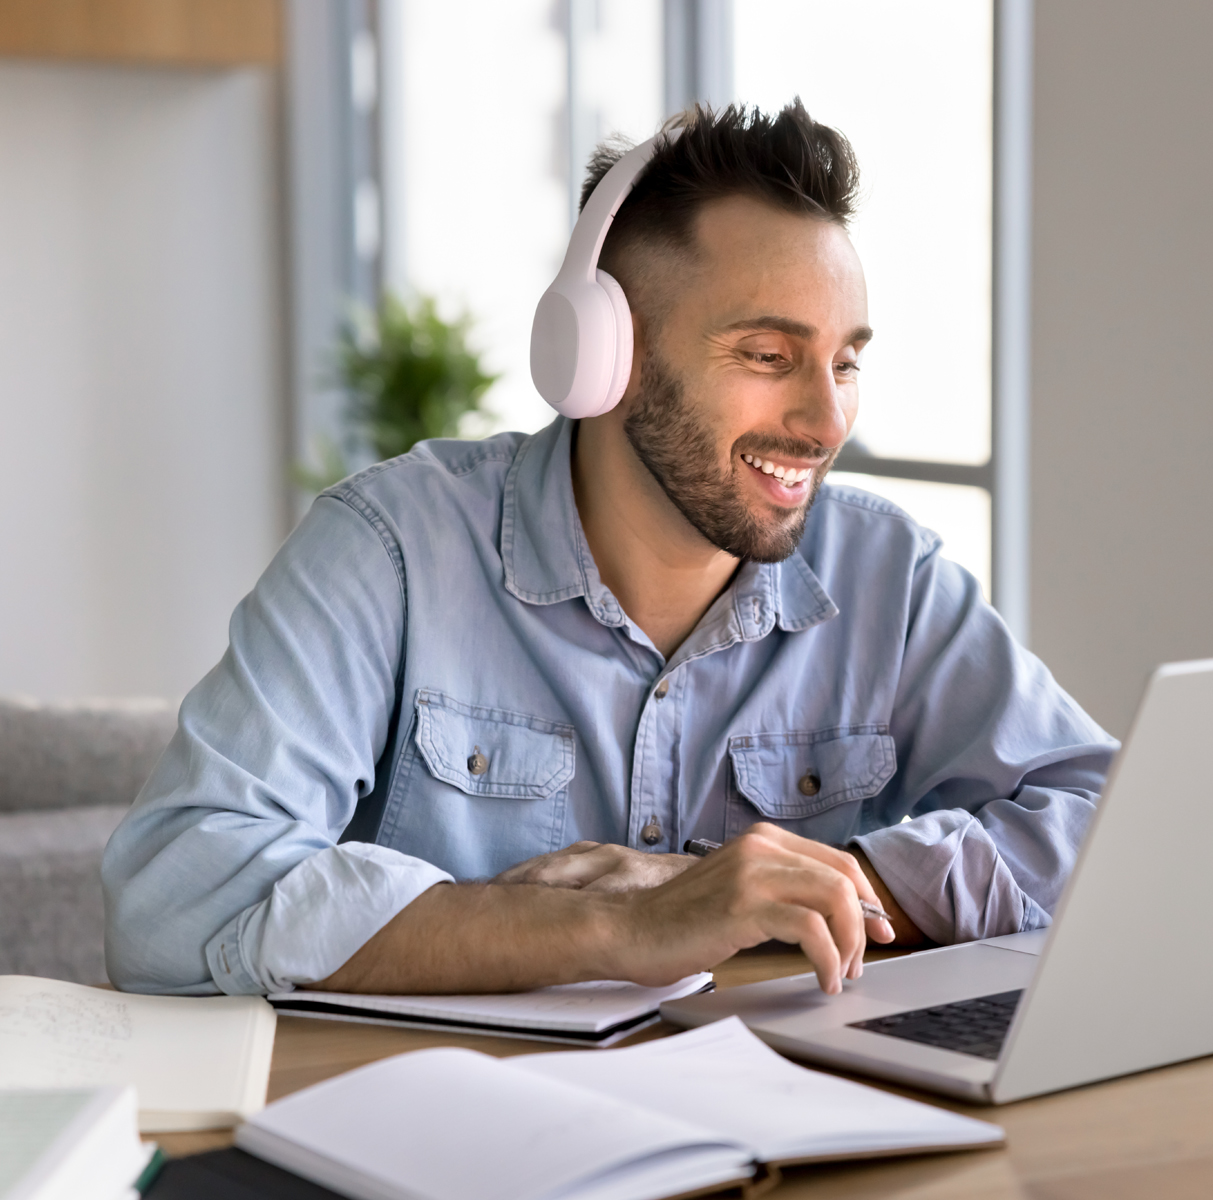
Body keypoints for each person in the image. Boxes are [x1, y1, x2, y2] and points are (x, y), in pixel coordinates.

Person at [102, 101, 1116, 999]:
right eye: (767, 357)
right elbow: (174, 897)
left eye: (843, 362)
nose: (823, 419)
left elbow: (1113, 824)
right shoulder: (393, 551)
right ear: (601, 356)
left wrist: (801, 886)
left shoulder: (885, 576)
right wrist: (618, 925)